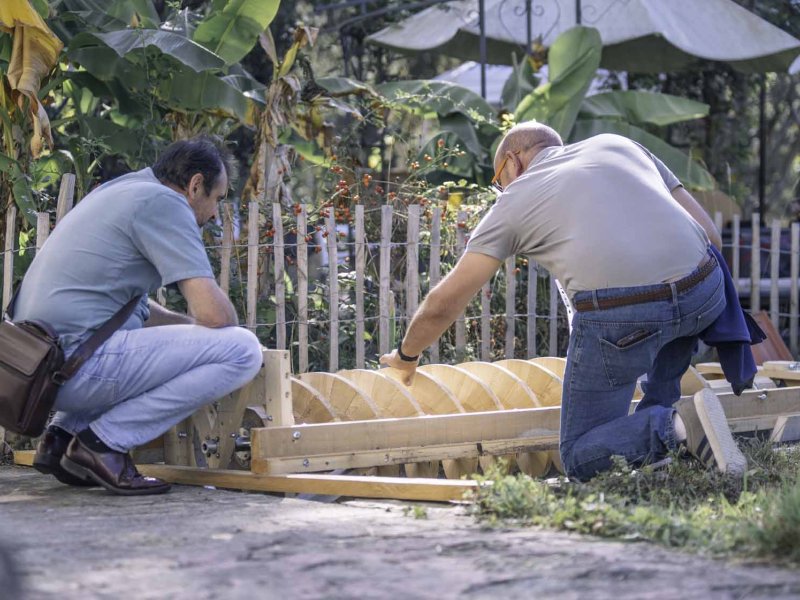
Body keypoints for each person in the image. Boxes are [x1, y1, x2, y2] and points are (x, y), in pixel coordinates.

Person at [380, 122, 747, 480]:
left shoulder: (516, 200)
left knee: (580, 453)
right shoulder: (619, 145)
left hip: (626, 317)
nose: (501, 189)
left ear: (514, 160)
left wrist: (407, 356)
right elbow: (711, 236)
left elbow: (446, 301)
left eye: (498, 180)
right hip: (705, 291)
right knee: (672, 326)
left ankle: (682, 425)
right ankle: (673, 440)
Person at [16, 138, 263, 495]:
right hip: (72, 368)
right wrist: (213, 330)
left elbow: (138, 314)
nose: (214, 214)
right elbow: (216, 317)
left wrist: (194, 332)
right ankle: (101, 444)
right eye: (217, 199)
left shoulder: (123, 189)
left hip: (39, 370)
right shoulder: (167, 204)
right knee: (242, 349)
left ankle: (61, 438)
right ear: (195, 186)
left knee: (165, 339)